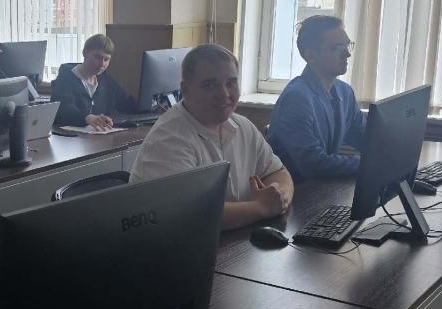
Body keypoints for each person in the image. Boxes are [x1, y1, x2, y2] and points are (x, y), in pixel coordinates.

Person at [130, 44, 294, 230]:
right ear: (186, 90)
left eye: (231, 83)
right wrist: (261, 207)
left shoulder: (243, 126)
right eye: (210, 85)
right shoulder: (169, 139)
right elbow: (188, 214)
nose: (224, 94)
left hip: (231, 240)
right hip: (173, 245)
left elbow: (278, 172)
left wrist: (279, 197)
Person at [266, 15, 367, 181]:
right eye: (336, 48)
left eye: (347, 45)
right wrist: (365, 164)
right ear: (311, 55)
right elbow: (314, 164)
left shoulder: (345, 92)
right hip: (295, 190)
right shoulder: (296, 99)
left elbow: (367, 139)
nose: (347, 54)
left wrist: (394, 150)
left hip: (322, 186)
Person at [50, 34, 137, 130]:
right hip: (69, 136)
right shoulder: (66, 78)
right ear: (85, 53)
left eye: (106, 59)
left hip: (98, 135)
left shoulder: (105, 80)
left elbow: (124, 103)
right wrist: (87, 117)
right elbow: (63, 110)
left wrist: (146, 106)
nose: (102, 64)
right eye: (97, 57)